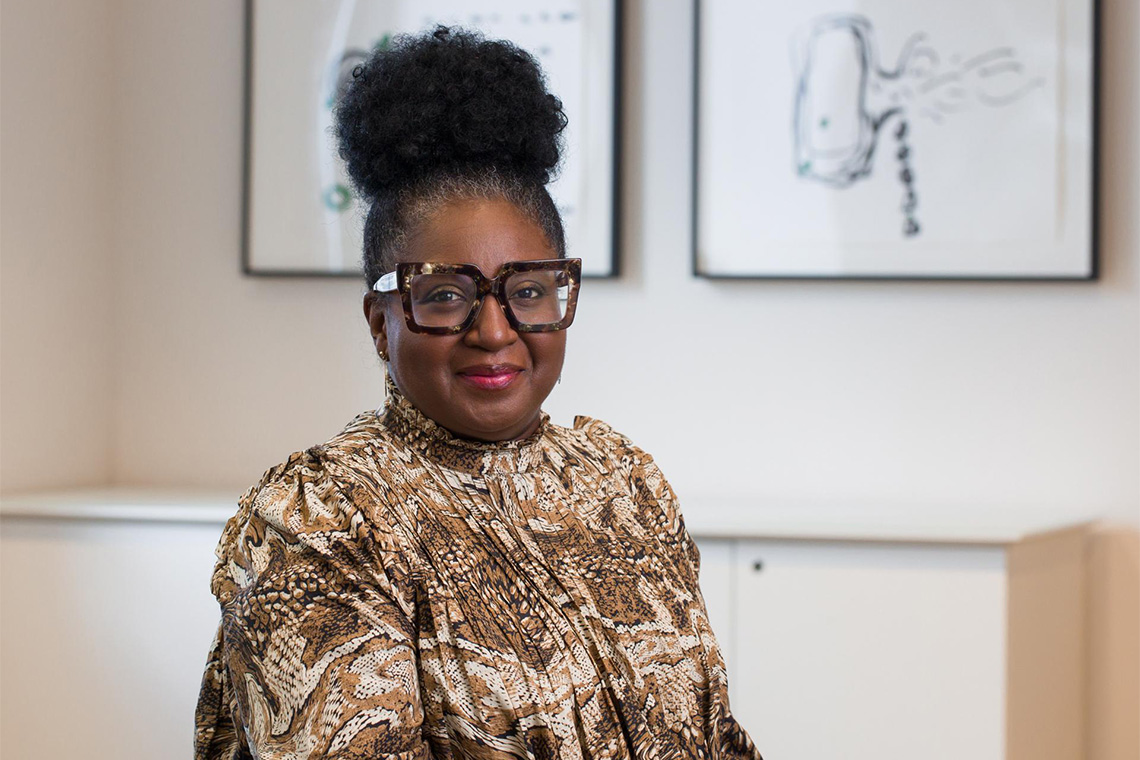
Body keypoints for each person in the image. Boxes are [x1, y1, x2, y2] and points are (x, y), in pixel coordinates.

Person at [194, 27, 761, 760]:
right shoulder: (322, 524)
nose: (494, 331)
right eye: (445, 295)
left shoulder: (623, 481)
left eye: (527, 289)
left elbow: (716, 738)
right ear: (381, 320)